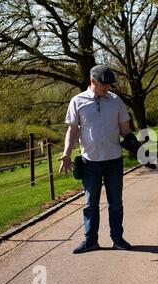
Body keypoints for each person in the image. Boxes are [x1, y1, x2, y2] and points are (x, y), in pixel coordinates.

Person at [58, 65, 133, 254]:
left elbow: (125, 130)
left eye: (109, 85)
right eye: (103, 85)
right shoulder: (77, 101)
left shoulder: (116, 101)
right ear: (93, 82)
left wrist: (139, 150)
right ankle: (90, 240)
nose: (107, 88)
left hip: (114, 160)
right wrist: (66, 153)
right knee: (91, 204)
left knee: (115, 202)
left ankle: (117, 238)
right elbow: (73, 130)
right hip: (90, 162)